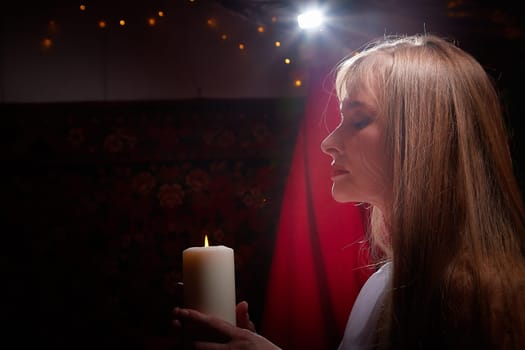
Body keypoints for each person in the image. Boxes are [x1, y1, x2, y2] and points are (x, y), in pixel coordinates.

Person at [173, 34, 525, 349]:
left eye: (357, 120)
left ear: (424, 136)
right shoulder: (386, 282)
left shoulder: (474, 297)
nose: (328, 142)